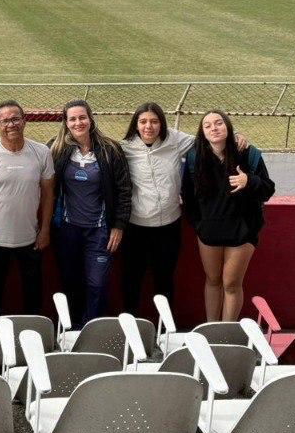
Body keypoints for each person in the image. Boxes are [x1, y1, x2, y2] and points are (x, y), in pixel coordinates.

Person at [118, 102, 249, 315]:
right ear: (136, 125)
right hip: (135, 227)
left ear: (162, 123)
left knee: (165, 280)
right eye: (143, 122)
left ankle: (163, 333)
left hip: (168, 226)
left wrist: (236, 135)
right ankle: (131, 329)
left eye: (154, 121)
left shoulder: (176, 140)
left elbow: (208, 139)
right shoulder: (124, 148)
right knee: (132, 280)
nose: (148, 126)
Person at [182, 110, 275, 322]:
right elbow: (188, 196)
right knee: (212, 280)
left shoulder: (248, 154)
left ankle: (227, 332)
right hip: (209, 232)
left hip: (241, 232)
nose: (214, 128)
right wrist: (199, 225)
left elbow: (268, 190)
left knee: (231, 283)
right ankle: (212, 328)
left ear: (228, 127)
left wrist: (249, 181)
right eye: (208, 126)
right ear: (202, 133)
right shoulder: (195, 157)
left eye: (219, 123)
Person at [48, 100, 132, 324]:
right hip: (66, 230)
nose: (78, 123)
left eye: (82, 117)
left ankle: (91, 328)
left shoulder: (110, 149)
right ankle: (71, 329)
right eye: (73, 119)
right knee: (69, 281)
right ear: (66, 123)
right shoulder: (55, 149)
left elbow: (124, 190)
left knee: (97, 283)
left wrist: (119, 226)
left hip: (99, 232)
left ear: (91, 119)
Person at [0, 100, 55, 320]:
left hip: (30, 239)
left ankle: (36, 332)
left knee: (33, 294)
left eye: (15, 119)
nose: (11, 124)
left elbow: (48, 194)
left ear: (24, 121)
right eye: (5, 120)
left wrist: (44, 230)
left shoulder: (42, 152)